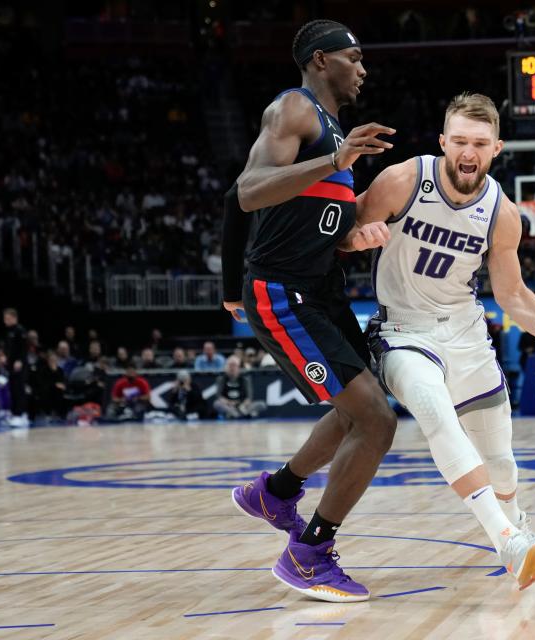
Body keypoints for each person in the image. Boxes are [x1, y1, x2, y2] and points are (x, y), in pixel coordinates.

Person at [355, 93, 535, 589]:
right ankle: (507, 541)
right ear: (443, 143)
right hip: (402, 329)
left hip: (466, 331)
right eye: (459, 141)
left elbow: (513, 296)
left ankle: (516, 522)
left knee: (500, 460)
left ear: (496, 148)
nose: (467, 151)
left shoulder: (503, 213)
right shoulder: (402, 180)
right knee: (433, 409)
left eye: (478, 143)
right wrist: (355, 238)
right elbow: (344, 230)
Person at [221, 19, 397, 603]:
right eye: (355, 57)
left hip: (320, 290)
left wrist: (356, 237)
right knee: (376, 421)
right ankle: (309, 553)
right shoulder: (293, 110)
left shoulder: (336, 136)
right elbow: (248, 190)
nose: (363, 68)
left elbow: (323, 227)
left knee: (361, 415)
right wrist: (334, 160)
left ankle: (276, 491)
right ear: (321, 60)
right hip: (280, 292)